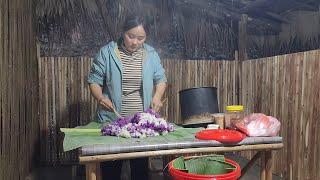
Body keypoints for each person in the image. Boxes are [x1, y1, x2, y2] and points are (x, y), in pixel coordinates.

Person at [87, 14, 167, 180]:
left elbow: (161, 79)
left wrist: (158, 97)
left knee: (139, 170)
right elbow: (94, 81)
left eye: (140, 38)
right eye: (131, 36)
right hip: (112, 121)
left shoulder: (151, 54)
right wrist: (100, 98)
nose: (135, 42)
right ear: (123, 32)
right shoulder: (107, 53)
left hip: (140, 126)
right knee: (111, 169)